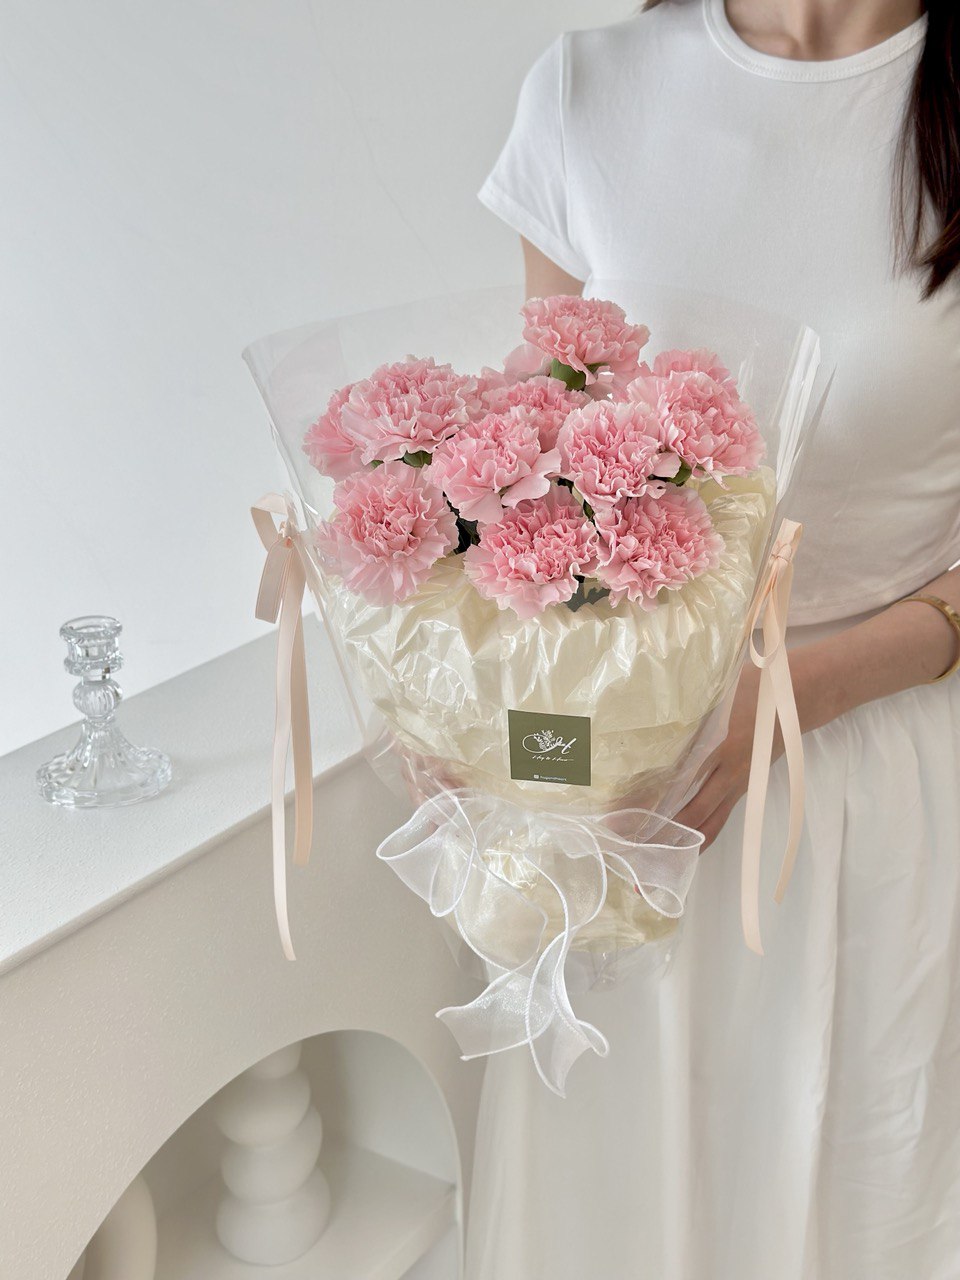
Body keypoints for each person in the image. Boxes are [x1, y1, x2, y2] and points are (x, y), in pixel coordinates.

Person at [465, 2, 960, 1276]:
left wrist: (797, 692)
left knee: (865, 1196)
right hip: (637, 794)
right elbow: (541, 479)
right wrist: (480, 721)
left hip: (888, 785)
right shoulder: (591, 87)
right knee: (623, 1214)